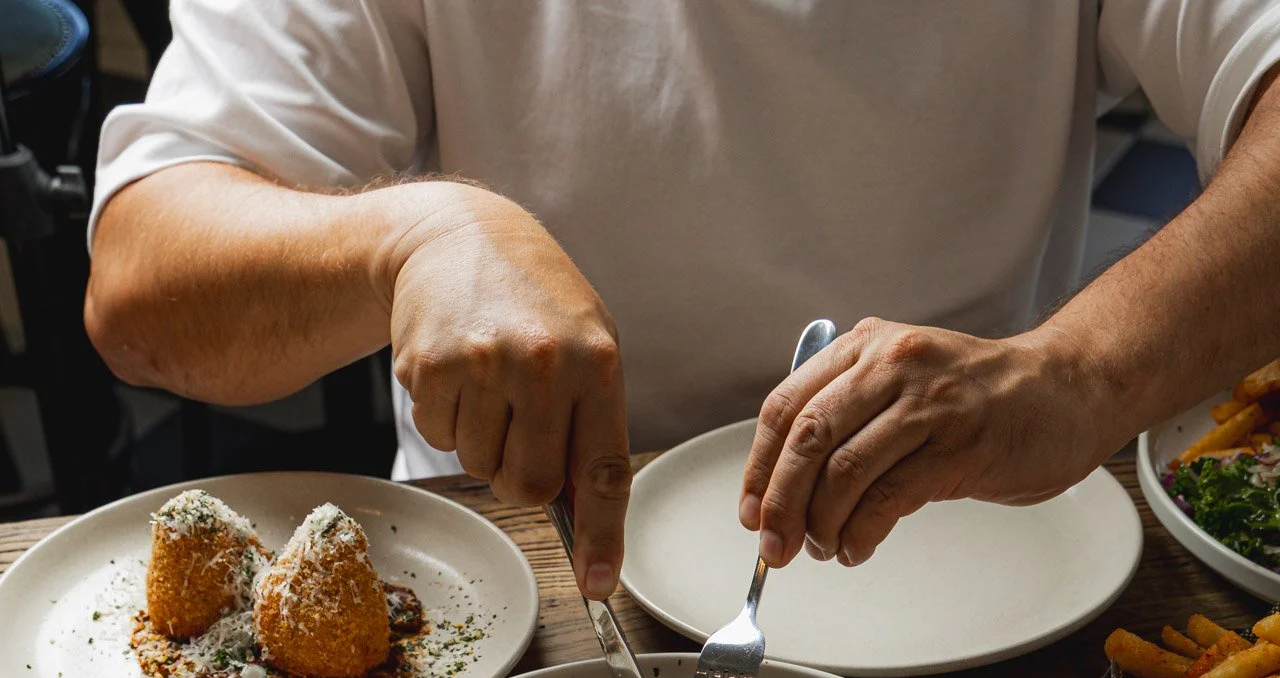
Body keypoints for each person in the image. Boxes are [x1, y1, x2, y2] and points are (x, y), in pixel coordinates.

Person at [86, 3, 1280, 598]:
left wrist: (1082, 373)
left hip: (998, 573)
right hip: (522, 587)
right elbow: (141, 282)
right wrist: (409, 237)